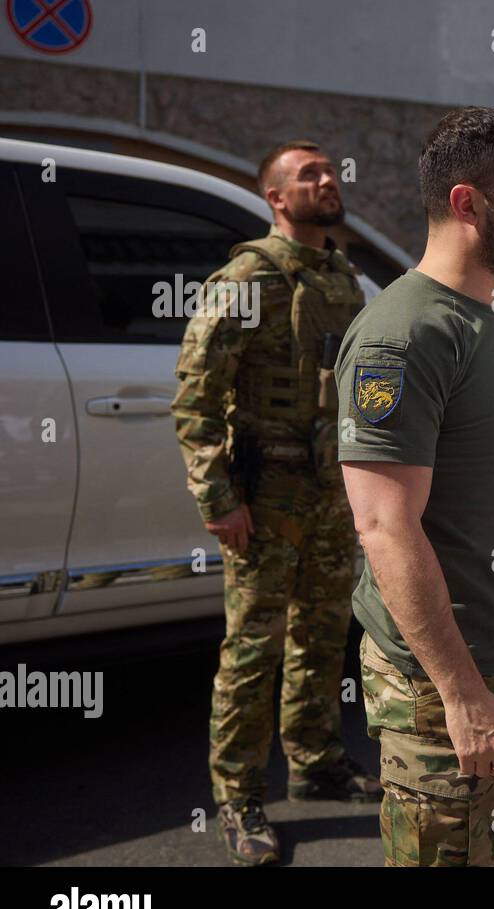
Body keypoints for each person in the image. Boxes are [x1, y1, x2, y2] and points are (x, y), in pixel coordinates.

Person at [336, 107, 494, 867]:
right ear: (467, 203)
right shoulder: (402, 334)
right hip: (443, 691)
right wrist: (463, 692)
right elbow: (385, 528)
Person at [172, 139, 380, 867]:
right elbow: (195, 398)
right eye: (308, 175)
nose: (327, 179)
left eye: (329, 170)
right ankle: (236, 795)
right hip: (266, 495)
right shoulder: (247, 278)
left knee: (323, 636)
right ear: (276, 198)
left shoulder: (343, 278)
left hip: (329, 492)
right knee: (252, 650)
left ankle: (317, 758)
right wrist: (218, 498)